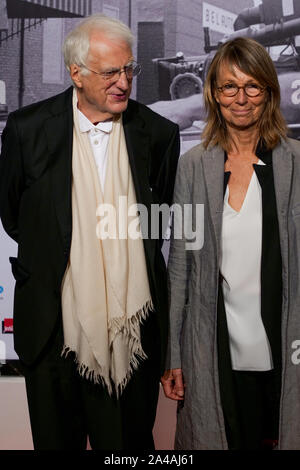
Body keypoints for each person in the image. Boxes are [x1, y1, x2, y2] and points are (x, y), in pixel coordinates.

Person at [0, 14, 179, 450]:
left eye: (129, 69)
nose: (124, 82)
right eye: (110, 72)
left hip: (130, 333)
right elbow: (14, 216)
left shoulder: (157, 133)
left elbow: (156, 225)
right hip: (50, 329)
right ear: (75, 72)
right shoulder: (26, 129)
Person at [161, 36, 300, 450]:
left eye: (252, 86)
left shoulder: (296, 161)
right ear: (214, 94)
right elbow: (181, 266)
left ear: (269, 92)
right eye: (228, 87)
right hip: (215, 349)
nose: (241, 98)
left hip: (285, 344)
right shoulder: (193, 166)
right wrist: (174, 355)